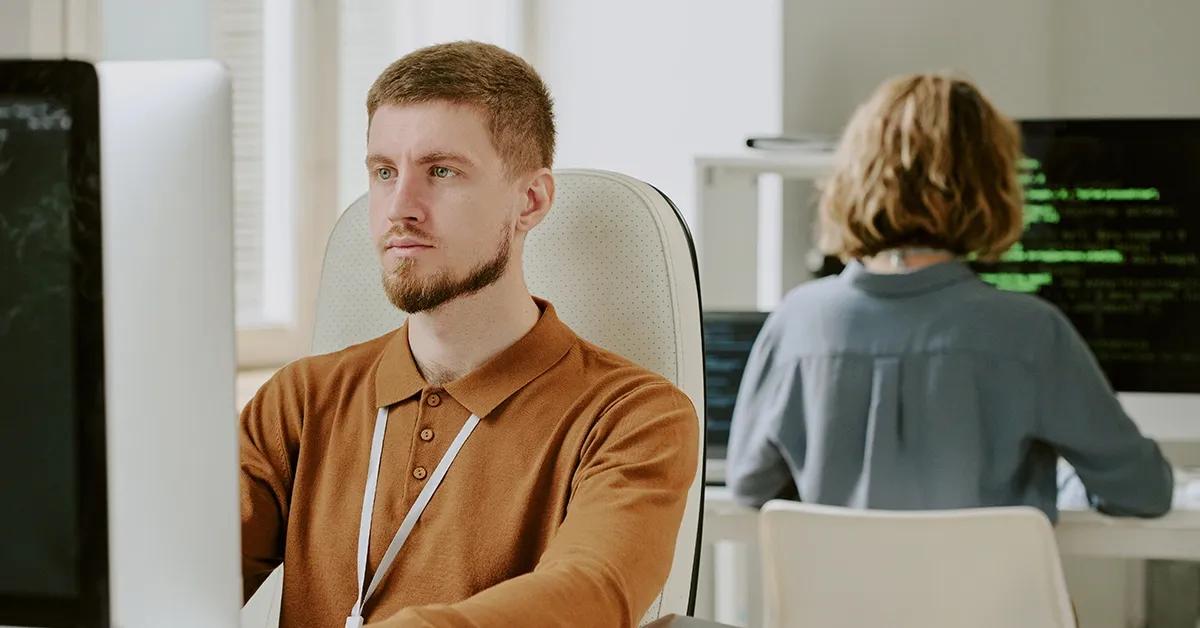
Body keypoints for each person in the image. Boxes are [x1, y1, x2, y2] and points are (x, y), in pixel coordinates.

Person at [239, 41, 698, 628]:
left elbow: (591, 591)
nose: (398, 208)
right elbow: (163, 569)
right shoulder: (301, 399)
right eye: (384, 172)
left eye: (441, 172)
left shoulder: (635, 416)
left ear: (530, 201)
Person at [725, 73, 1173, 521]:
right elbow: (1144, 491)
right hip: (991, 593)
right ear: (991, 183)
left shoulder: (796, 323)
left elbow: (748, 485)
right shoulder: (1033, 332)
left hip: (836, 594)